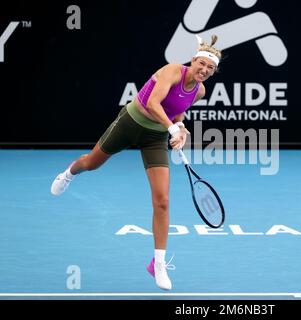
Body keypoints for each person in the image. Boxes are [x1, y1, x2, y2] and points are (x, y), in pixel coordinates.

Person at [50, 35, 222, 290]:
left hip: (154, 137)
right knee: (91, 163)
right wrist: (171, 128)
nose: (205, 71)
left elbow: (177, 108)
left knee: (162, 200)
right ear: (193, 60)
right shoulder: (173, 70)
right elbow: (153, 102)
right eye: (202, 64)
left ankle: (158, 264)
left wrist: (181, 128)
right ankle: (69, 173)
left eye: (211, 68)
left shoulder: (200, 90)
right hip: (130, 123)